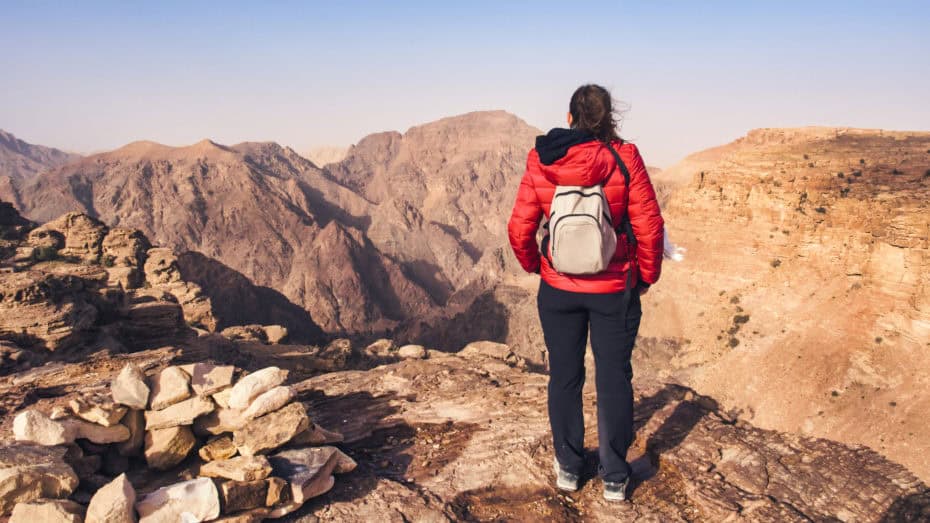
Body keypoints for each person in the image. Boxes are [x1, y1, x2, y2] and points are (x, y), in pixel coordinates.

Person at [507, 84, 665, 502]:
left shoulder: (543, 158)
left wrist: (535, 265)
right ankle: (614, 476)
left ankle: (569, 469)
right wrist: (646, 277)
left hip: (558, 288)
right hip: (614, 288)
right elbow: (649, 226)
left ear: (570, 115)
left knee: (564, 376)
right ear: (609, 116)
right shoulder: (625, 157)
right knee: (613, 377)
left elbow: (520, 226)